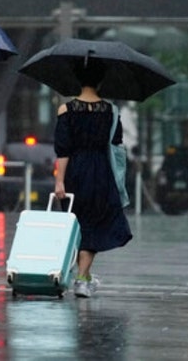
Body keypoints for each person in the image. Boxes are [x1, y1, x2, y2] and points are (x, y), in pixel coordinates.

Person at [52, 57, 133, 298]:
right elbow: (117, 143)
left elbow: (63, 150)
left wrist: (60, 181)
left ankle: (82, 277)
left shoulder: (66, 110)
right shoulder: (110, 111)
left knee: (78, 223)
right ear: (101, 81)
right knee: (95, 224)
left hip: (75, 171)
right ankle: (82, 278)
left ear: (77, 79)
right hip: (101, 171)